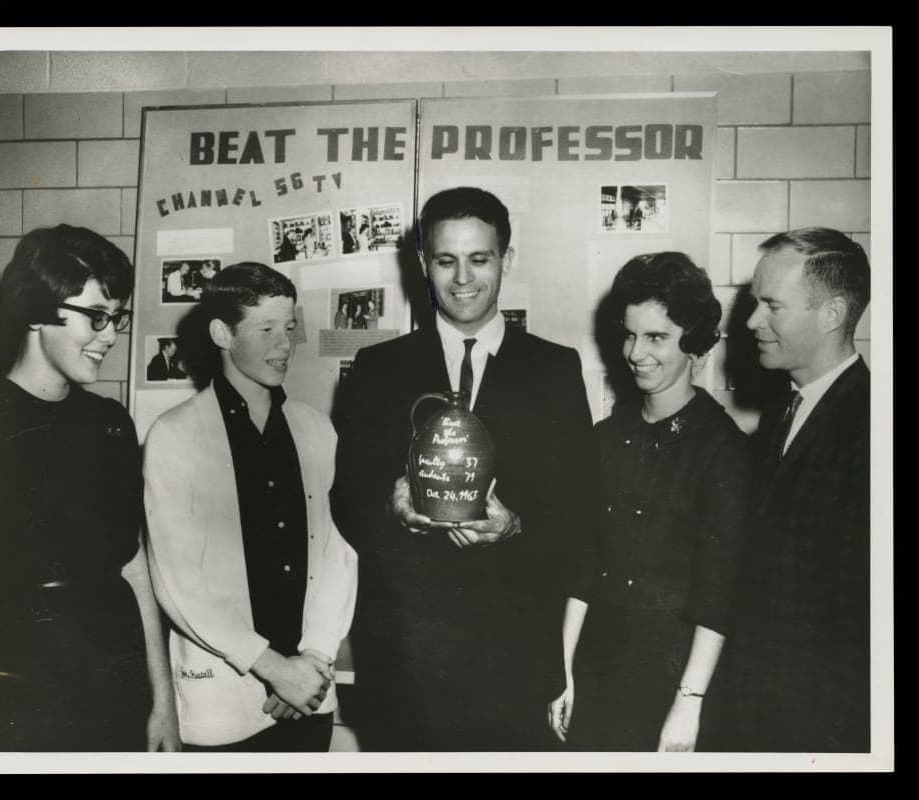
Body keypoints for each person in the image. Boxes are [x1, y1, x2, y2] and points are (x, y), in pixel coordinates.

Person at [331, 186, 593, 751]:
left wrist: (516, 525)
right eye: (446, 260)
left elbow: (579, 512)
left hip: (514, 659)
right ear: (423, 263)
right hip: (407, 661)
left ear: (506, 259)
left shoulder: (554, 370)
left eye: (480, 258)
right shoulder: (376, 369)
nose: (463, 278)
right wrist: (390, 507)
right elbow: (345, 498)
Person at [143, 262, 358, 752]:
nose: (285, 345)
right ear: (223, 334)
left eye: (289, 327)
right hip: (224, 702)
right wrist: (275, 669)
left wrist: (314, 657)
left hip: (309, 691)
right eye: (266, 329)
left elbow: (341, 553)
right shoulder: (175, 435)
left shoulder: (317, 429)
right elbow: (177, 581)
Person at [547, 252, 748, 751]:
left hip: (676, 678)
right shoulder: (603, 440)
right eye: (630, 334)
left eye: (656, 337)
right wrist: (562, 672)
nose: (636, 352)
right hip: (597, 668)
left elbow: (718, 592)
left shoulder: (724, 450)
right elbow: (583, 566)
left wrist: (689, 703)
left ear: (694, 342)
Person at [0, 224, 180, 752]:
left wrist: (163, 702)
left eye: (116, 318)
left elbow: (133, 564)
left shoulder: (109, 423)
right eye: (96, 316)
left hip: (112, 680)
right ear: (36, 310)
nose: (111, 335)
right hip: (18, 689)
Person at [723, 228, 871, 752]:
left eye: (772, 306)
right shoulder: (781, 414)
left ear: (832, 314)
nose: (751, 322)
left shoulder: (871, 426)